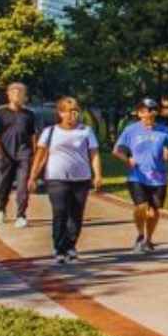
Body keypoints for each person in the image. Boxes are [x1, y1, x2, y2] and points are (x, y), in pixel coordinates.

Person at [26, 96, 102, 265]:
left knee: (76, 214)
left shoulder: (86, 131)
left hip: (81, 178)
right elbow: (40, 156)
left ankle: (71, 246)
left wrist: (97, 175)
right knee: (60, 212)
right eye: (68, 112)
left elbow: (94, 154)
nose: (72, 115)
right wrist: (32, 176)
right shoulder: (50, 131)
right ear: (60, 113)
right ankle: (59, 248)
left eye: (75, 111)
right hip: (56, 177)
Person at [113, 97, 168, 253]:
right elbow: (116, 151)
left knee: (154, 211)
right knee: (141, 207)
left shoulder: (164, 130)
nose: (150, 113)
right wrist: (128, 160)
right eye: (147, 110)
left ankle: (149, 239)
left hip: (158, 177)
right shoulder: (131, 130)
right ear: (140, 113)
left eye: (153, 110)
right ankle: (141, 235)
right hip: (137, 176)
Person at [0, 82, 38, 228]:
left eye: (21, 93)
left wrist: (35, 154)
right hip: (5, 154)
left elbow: (33, 135)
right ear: (8, 94)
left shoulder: (29, 114)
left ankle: (21, 215)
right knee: (3, 185)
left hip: (23, 154)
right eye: (14, 92)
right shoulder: (0, 112)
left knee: (23, 186)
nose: (17, 95)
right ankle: (1, 210)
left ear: (25, 96)